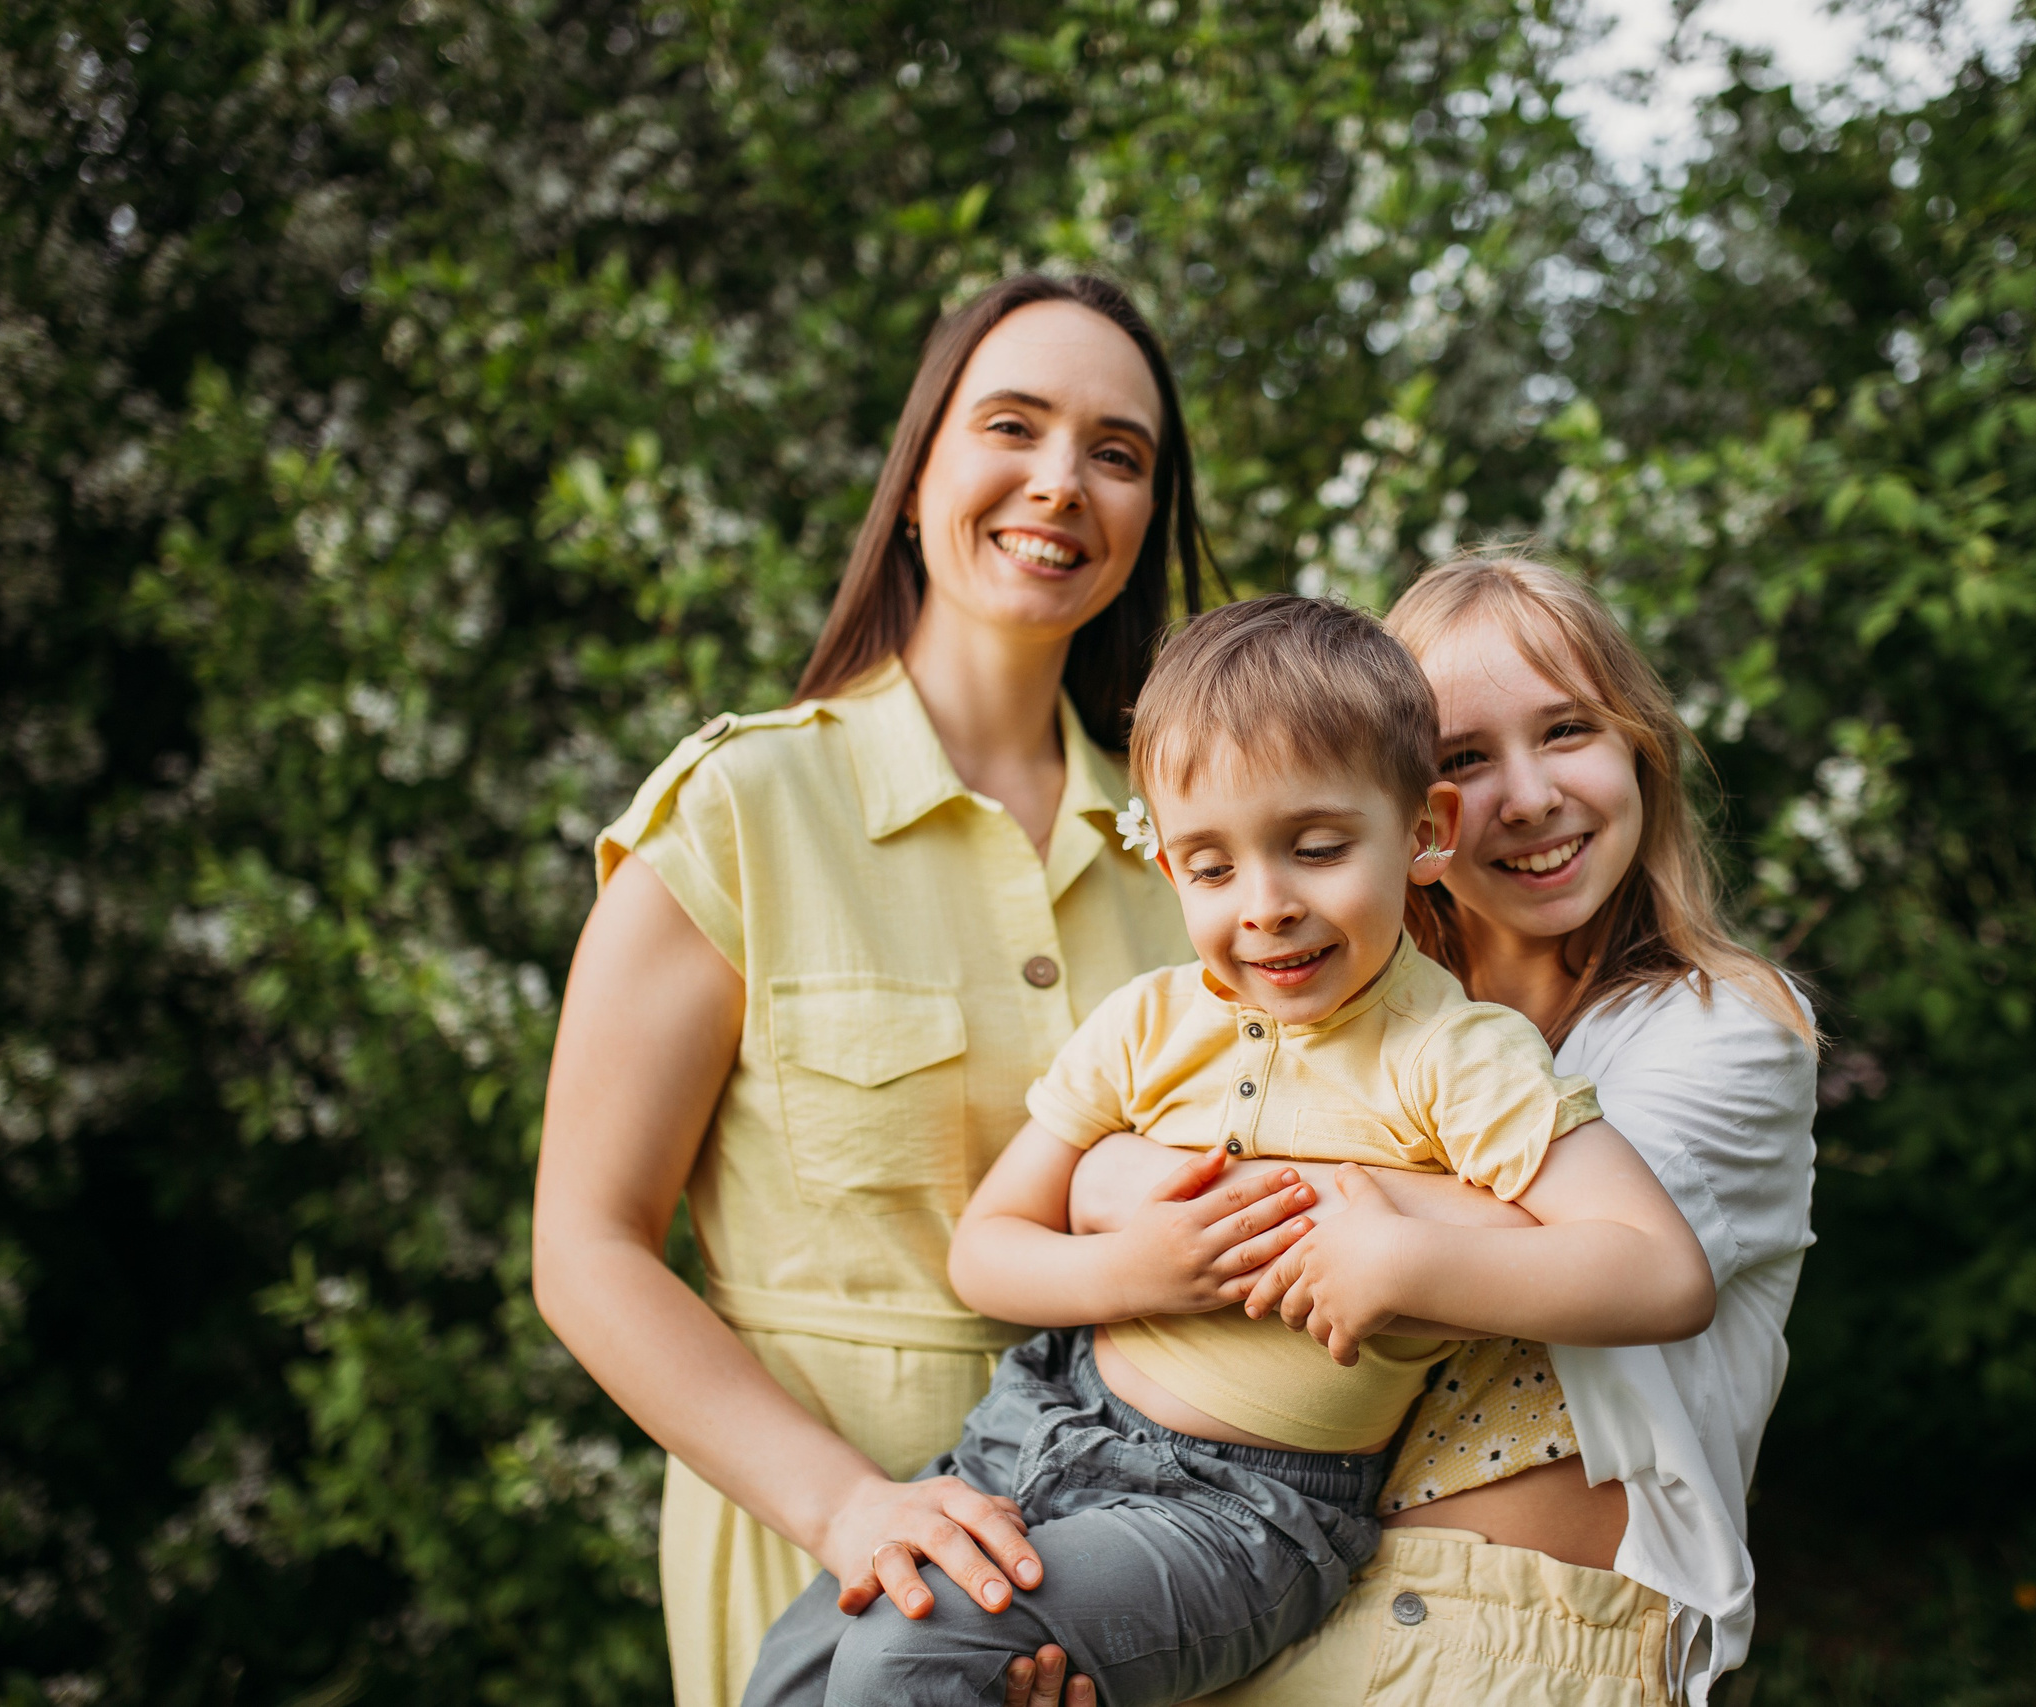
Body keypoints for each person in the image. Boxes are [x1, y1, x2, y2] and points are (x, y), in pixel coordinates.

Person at [530, 273, 1301, 1707]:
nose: (1060, 483)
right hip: (816, 1562)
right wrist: (847, 1508)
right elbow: (586, 1245)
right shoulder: (743, 805)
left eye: (1117, 452)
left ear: (1147, 518)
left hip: (1125, 1587)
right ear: (917, 476)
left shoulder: (1201, 862)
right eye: (1014, 426)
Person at [740, 595, 1718, 1706]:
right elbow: (987, 1251)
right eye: (1211, 868)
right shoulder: (1147, 1024)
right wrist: (1134, 1271)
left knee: (914, 1651)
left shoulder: (1454, 1056)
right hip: (1033, 1433)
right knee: (805, 1661)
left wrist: (1402, 1263)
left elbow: (1662, 1272)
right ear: (1166, 864)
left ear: (1426, 831)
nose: (1266, 907)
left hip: (1243, 1514)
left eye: (1315, 848)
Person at [1034, 553, 1820, 1707]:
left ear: (1639, 746)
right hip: (1292, 1573)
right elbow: (1102, 1154)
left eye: (1565, 730)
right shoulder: (1373, 1024)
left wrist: (1133, 1179)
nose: (1528, 796)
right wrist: (1104, 1172)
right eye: (1464, 757)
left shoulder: (1719, 1032)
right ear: (1411, 811)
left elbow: (1592, 1243)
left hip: (1521, 1633)